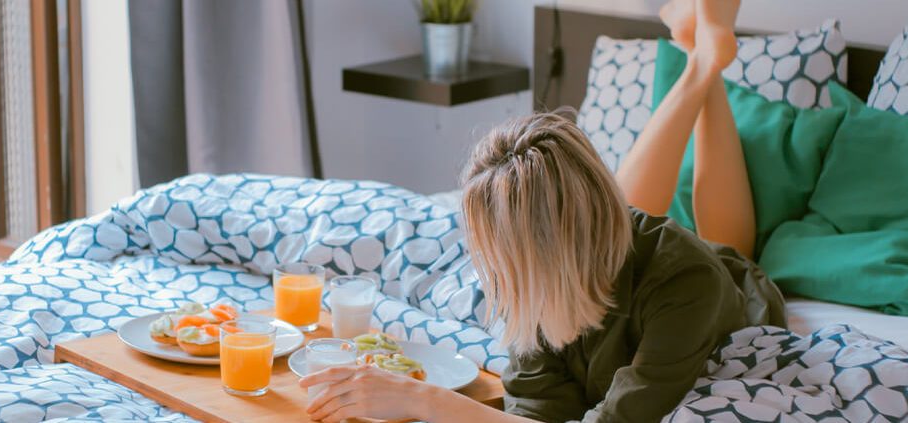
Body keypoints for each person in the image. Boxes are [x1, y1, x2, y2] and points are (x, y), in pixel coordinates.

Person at [299, 0, 786, 421]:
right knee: (626, 211)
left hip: (720, 278)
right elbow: (538, 411)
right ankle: (703, 57)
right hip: (600, 246)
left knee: (725, 242)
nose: (491, 274)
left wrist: (426, 401)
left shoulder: (686, 284)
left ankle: (705, 63)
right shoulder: (531, 282)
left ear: (543, 249)